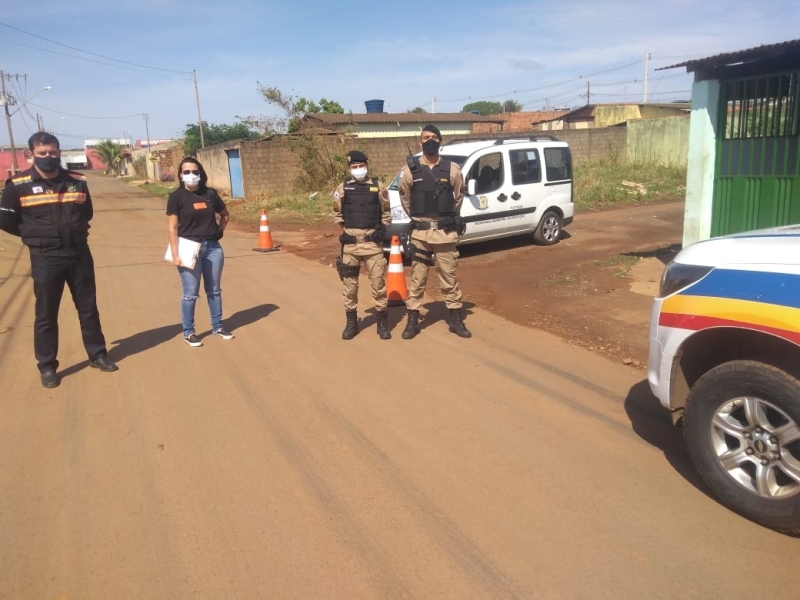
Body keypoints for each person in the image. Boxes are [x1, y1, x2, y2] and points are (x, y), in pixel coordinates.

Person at [0, 132, 118, 388]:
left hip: (79, 255)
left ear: (59, 152)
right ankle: (47, 366)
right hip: (45, 258)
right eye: (42, 153)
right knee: (46, 314)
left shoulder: (77, 181)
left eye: (53, 152)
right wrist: (36, 235)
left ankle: (97, 355)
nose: (49, 157)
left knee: (88, 310)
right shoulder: (17, 185)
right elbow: (7, 222)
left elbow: (86, 213)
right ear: (30, 154)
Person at [396, 125, 471, 339]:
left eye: (434, 137)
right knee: (418, 278)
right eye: (425, 137)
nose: (429, 140)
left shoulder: (452, 169)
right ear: (420, 142)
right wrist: (421, 220)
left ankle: (455, 320)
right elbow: (405, 200)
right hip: (420, 234)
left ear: (440, 141)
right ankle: (412, 320)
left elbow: (458, 198)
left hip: (445, 233)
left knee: (449, 276)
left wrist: (446, 217)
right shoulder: (410, 170)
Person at [166, 157, 233, 347]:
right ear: (180, 175)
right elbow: (172, 229)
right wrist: (175, 254)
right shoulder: (176, 197)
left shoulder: (210, 194)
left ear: (201, 173)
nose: (191, 175)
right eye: (186, 172)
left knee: (214, 290)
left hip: (212, 248)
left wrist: (220, 231)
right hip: (188, 249)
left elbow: (225, 214)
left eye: (195, 172)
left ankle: (218, 327)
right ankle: (189, 332)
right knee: (190, 293)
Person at [332, 150, 392, 340]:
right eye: (354, 167)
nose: (358, 170)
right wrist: (350, 232)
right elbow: (337, 215)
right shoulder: (341, 189)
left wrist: (380, 230)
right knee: (350, 287)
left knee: (378, 284)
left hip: (373, 245)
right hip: (350, 245)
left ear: (367, 165)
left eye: (361, 166)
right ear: (349, 169)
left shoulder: (378, 186)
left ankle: (382, 322)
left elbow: (386, 214)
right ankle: (351, 322)